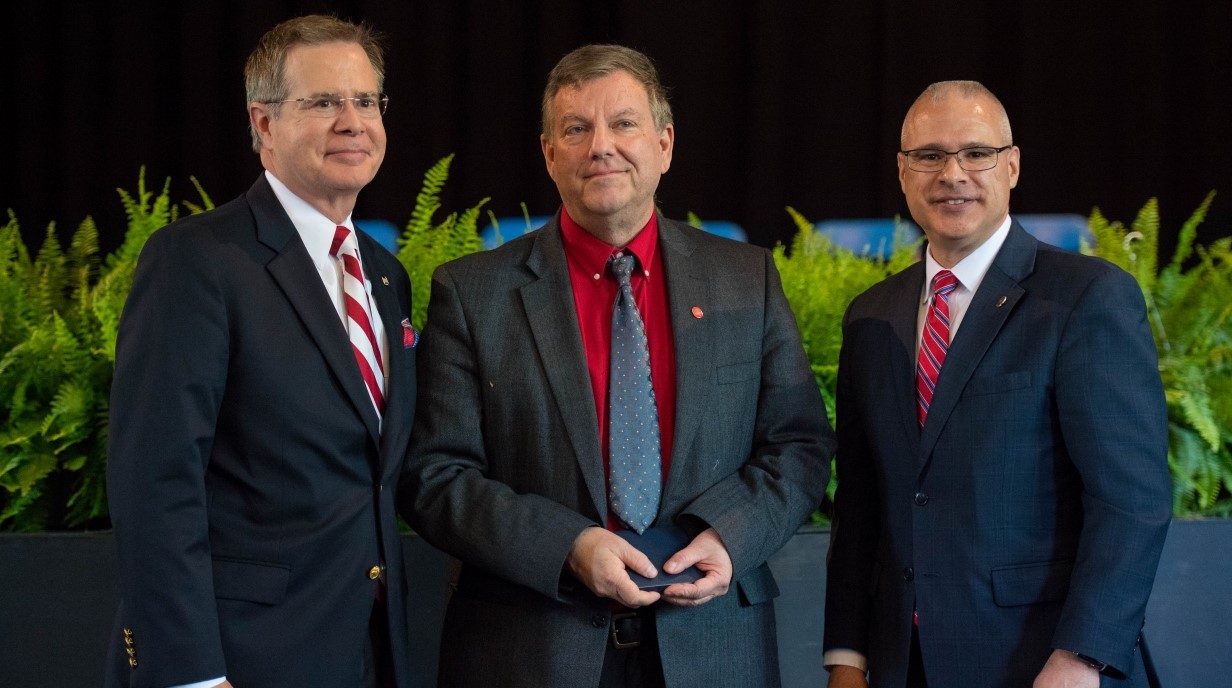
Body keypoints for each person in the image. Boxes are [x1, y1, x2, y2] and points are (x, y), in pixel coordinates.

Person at [401, 44, 834, 686]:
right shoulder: (473, 293)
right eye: (576, 129)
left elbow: (798, 444)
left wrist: (728, 536)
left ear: (664, 143)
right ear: (549, 154)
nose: (601, 145)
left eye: (623, 123)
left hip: (714, 648)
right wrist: (568, 547)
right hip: (530, 651)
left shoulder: (747, 279)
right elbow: (435, 476)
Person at [822, 80, 1173, 688]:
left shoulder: (1087, 297)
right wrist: (848, 658)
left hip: (1042, 664)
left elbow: (1131, 502)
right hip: (904, 665)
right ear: (903, 173)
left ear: (1011, 166)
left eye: (976, 153)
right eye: (929, 156)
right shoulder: (870, 316)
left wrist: (1081, 657)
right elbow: (861, 506)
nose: (952, 173)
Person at [106, 15, 417, 688]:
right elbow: (155, 486)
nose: (352, 121)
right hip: (239, 660)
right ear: (265, 123)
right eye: (323, 102)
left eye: (366, 101)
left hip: (365, 654)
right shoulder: (197, 261)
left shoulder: (387, 277)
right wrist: (191, 676)